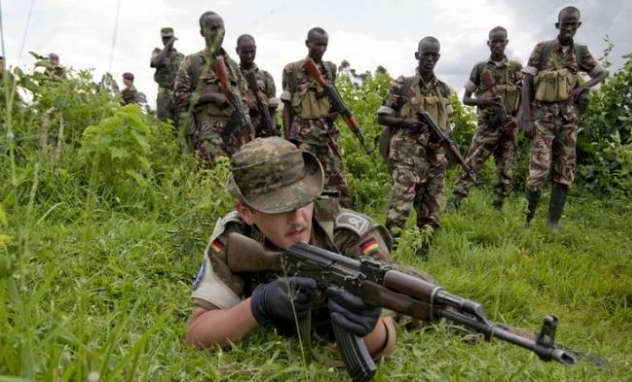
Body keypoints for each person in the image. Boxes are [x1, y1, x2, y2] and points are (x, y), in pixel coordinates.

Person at [185, 137, 396, 363]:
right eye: (279, 208)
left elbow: (387, 341)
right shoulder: (235, 237)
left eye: (303, 201)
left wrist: (366, 325)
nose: (298, 219)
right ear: (246, 211)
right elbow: (196, 334)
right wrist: (259, 304)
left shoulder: (349, 234)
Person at [519, 6, 608, 231]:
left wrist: (584, 87)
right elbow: (526, 82)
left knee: (565, 168)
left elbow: (602, 73)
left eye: (573, 24)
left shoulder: (581, 52)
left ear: (578, 26)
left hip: (568, 119)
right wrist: (526, 118)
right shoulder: (543, 49)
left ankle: (553, 223)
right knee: (539, 167)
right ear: (558, 25)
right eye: (565, 23)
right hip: (542, 117)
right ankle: (526, 221)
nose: (569, 28)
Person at [377, 36, 453, 254]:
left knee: (431, 209)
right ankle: (387, 256)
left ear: (438, 57)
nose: (429, 59)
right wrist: (405, 122)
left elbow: (448, 123)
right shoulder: (403, 84)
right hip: (406, 155)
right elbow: (381, 117)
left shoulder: (444, 90)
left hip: (434, 157)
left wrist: (445, 139)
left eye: (433, 55)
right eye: (425, 54)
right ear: (417, 55)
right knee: (399, 208)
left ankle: (423, 254)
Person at [447, 27, 522, 211]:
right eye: (494, 41)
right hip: (486, 127)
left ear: (506, 43)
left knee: (506, 171)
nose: (497, 45)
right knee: (471, 165)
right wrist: (485, 101)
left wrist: (517, 120)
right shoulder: (480, 68)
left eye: (501, 41)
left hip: (508, 126)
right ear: (488, 43)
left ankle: (498, 208)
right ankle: (454, 204)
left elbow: (524, 97)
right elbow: (466, 98)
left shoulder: (515, 68)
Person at [281, 27, 352, 207]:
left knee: (337, 178)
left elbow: (332, 97)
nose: (321, 48)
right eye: (317, 44)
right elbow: (287, 106)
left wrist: (335, 113)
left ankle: (340, 219)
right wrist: (288, 137)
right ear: (307, 44)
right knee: (302, 178)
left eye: (324, 45)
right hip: (303, 133)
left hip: (327, 132)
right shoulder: (293, 70)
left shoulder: (330, 68)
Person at [173, 11, 253, 165]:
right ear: (202, 32)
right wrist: (210, 98)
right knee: (214, 182)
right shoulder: (192, 62)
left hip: (237, 136)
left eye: (221, 28)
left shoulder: (233, 66)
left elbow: (243, 97)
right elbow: (178, 98)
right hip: (208, 139)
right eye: (213, 28)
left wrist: (247, 123)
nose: (218, 33)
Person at [236, 34, 279, 137]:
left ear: (256, 49)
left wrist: (272, 126)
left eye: (252, 52)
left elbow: (272, 108)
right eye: (245, 52)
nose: (249, 55)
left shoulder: (266, 76)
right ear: (237, 50)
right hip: (240, 131)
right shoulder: (232, 76)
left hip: (262, 128)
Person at [150, 27, 184, 123]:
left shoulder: (181, 56)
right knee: (163, 125)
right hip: (164, 94)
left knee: (178, 125)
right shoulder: (157, 52)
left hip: (178, 95)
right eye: (165, 38)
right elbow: (155, 63)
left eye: (169, 38)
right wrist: (168, 45)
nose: (167, 41)